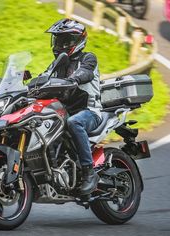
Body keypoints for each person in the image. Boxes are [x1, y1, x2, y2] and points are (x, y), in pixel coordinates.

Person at [45, 19, 102, 195]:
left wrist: (75, 78)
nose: (59, 44)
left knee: (74, 122)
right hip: (65, 112)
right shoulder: (57, 65)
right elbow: (45, 77)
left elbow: (86, 72)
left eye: (65, 40)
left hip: (89, 113)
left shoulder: (88, 58)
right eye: (57, 40)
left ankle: (89, 173)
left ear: (77, 41)